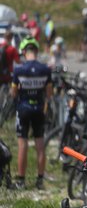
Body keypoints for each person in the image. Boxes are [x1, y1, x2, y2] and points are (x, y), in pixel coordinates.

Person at [11, 37, 53, 190]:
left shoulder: (18, 70)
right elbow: (49, 93)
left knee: (23, 145)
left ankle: (21, 181)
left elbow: (14, 93)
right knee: (40, 145)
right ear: (36, 50)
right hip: (39, 109)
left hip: (23, 108)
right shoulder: (45, 69)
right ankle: (40, 180)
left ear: (23, 51)